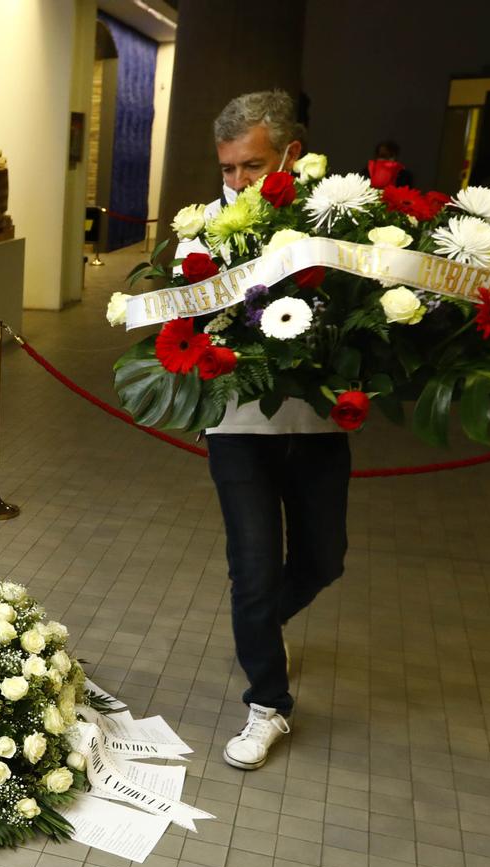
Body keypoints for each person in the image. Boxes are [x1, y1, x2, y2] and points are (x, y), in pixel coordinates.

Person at [172, 89, 350, 771]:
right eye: (228, 170)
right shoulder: (204, 233)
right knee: (252, 566)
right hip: (236, 425)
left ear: (291, 156)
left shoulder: (335, 223)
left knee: (324, 559)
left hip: (319, 423)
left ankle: (261, 627)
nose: (238, 183)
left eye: (252, 166)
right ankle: (267, 703)